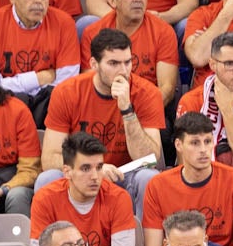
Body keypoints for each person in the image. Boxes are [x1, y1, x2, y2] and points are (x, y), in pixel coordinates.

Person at [40, 29, 165, 211]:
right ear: (94, 64)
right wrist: (93, 169)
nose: (123, 71)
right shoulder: (67, 92)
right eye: (113, 63)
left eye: (128, 62)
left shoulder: (148, 93)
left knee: (148, 177)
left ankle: (142, 239)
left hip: (123, 175)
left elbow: (149, 158)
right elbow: (50, 158)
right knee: (47, 178)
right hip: (80, 175)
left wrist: (127, 110)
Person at [147, 112, 233, 246]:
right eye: (195, 143)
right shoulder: (158, 185)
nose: (204, 150)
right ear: (179, 144)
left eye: (207, 141)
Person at [28, 134, 137, 246]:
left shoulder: (119, 198)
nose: (95, 177)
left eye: (99, 168)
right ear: (67, 172)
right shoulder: (45, 198)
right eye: (85, 169)